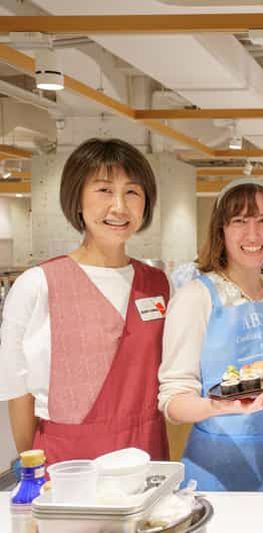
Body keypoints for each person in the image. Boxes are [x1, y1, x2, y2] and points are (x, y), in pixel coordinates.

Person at [0, 138, 168, 465]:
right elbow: (18, 389)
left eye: (132, 192)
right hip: (68, 460)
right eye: (104, 190)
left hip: (145, 454)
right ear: (76, 198)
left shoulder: (158, 284)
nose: (119, 206)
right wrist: (32, 466)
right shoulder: (38, 284)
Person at [158, 178, 263, 491]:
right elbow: (173, 401)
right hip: (220, 467)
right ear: (221, 230)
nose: (253, 234)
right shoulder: (195, 298)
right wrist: (223, 405)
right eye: (239, 221)